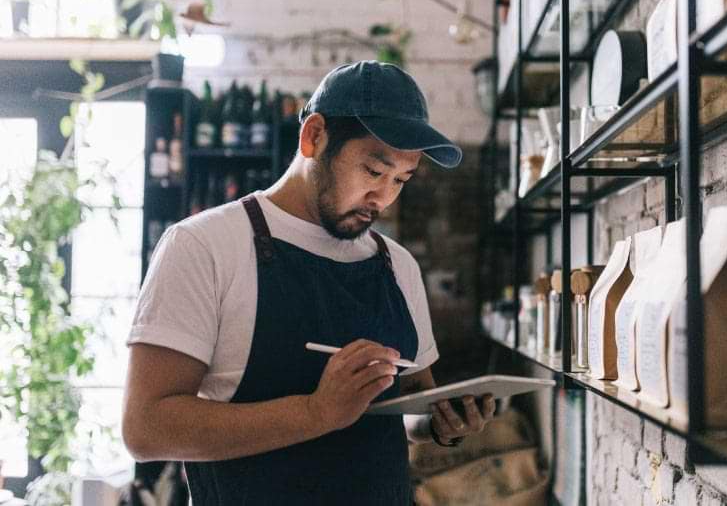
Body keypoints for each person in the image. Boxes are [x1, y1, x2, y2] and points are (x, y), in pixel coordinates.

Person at [122, 61, 496, 505]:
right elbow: (146, 428)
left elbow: (408, 405)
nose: (384, 197)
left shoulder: (398, 265)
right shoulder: (204, 246)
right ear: (314, 136)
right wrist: (315, 412)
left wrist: (440, 423)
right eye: (374, 171)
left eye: (401, 179)